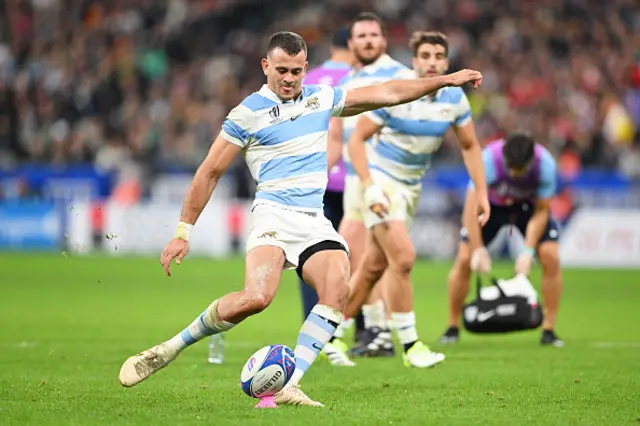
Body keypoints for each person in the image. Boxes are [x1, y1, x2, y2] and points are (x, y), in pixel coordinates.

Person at [117, 30, 483, 407]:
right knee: (257, 298)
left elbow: (388, 93)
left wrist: (444, 80)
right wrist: (182, 231)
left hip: (313, 218)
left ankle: (291, 384)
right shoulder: (247, 113)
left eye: (296, 70)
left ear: (306, 68)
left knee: (338, 289)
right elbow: (209, 171)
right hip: (273, 215)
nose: (289, 79)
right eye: (281, 70)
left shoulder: (322, 98)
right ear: (265, 66)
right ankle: (168, 349)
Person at [342, 31, 489, 367]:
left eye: (439, 56)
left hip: (410, 187)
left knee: (372, 269)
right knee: (404, 257)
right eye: (426, 56)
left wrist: (481, 191)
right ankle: (411, 347)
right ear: (415, 60)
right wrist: (369, 184)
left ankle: (328, 334)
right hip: (381, 180)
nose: (433, 62)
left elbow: (469, 146)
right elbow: (357, 140)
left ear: (447, 61)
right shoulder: (399, 90)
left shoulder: (454, 101)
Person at [330, 11, 412, 358]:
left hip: (382, 178)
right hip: (354, 178)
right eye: (361, 36)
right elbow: (337, 135)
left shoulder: (401, 75)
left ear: (384, 40)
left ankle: (377, 329)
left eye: (373, 35)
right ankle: (377, 329)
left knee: (360, 255)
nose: (367, 41)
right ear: (350, 43)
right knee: (363, 258)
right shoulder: (346, 81)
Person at [440, 133, 564, 347]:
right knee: (464, 259)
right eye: (510, 168)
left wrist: (527, 251)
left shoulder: (545, 165)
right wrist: (477, 249)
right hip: (492, 207)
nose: (514, 175)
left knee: (550, 256)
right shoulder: (488, 160)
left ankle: (549, 329)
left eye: (520, 170)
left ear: (530, 163)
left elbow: (542, 211)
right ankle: (452, 326)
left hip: (527, 208)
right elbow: (471, 209)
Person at [296, 28, 355, 368]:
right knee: (355, 256)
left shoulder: (311, 76)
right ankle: (355, 330)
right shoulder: (359, 76)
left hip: (318, 178)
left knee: (310, 257)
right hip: (356, 180)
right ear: (352, 45)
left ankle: (314, 325)